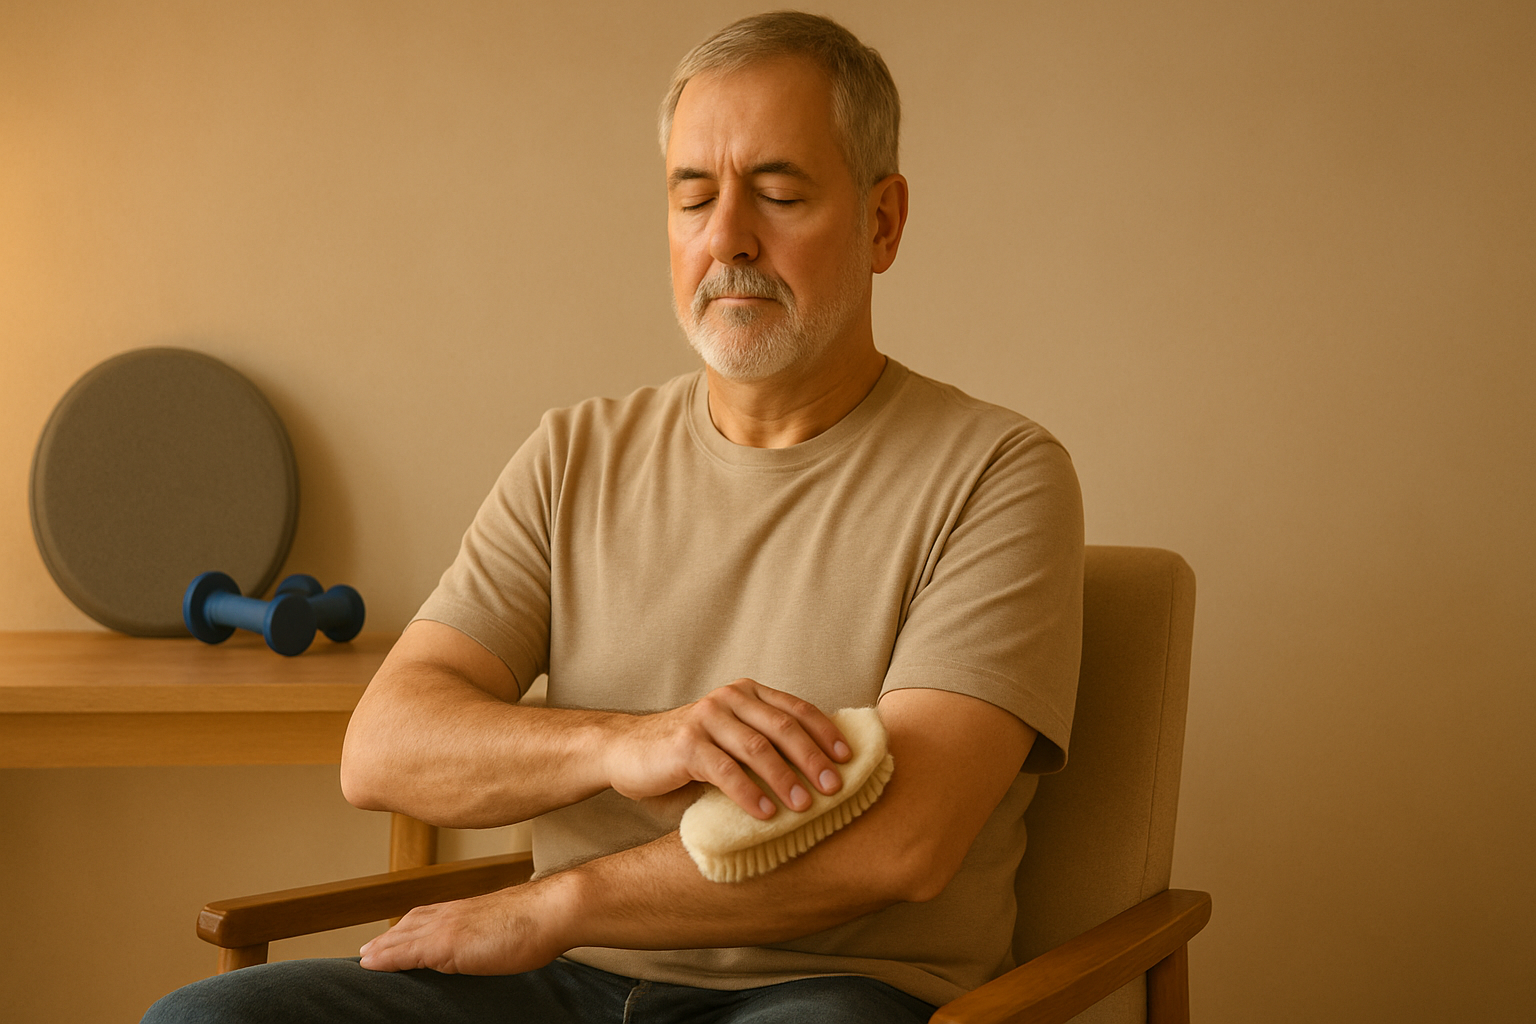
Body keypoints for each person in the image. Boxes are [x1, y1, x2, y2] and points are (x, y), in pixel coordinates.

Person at [144, 11, 1083, 1024]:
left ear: (883, 221)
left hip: (827, 993)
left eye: (779, 193)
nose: (727, 238)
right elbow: (385, 748)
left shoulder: (999, 474)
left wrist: (560, 903)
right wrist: (625, 745)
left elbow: (905, 843)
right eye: (694, 196)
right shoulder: (574, 454)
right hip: (556, 985)